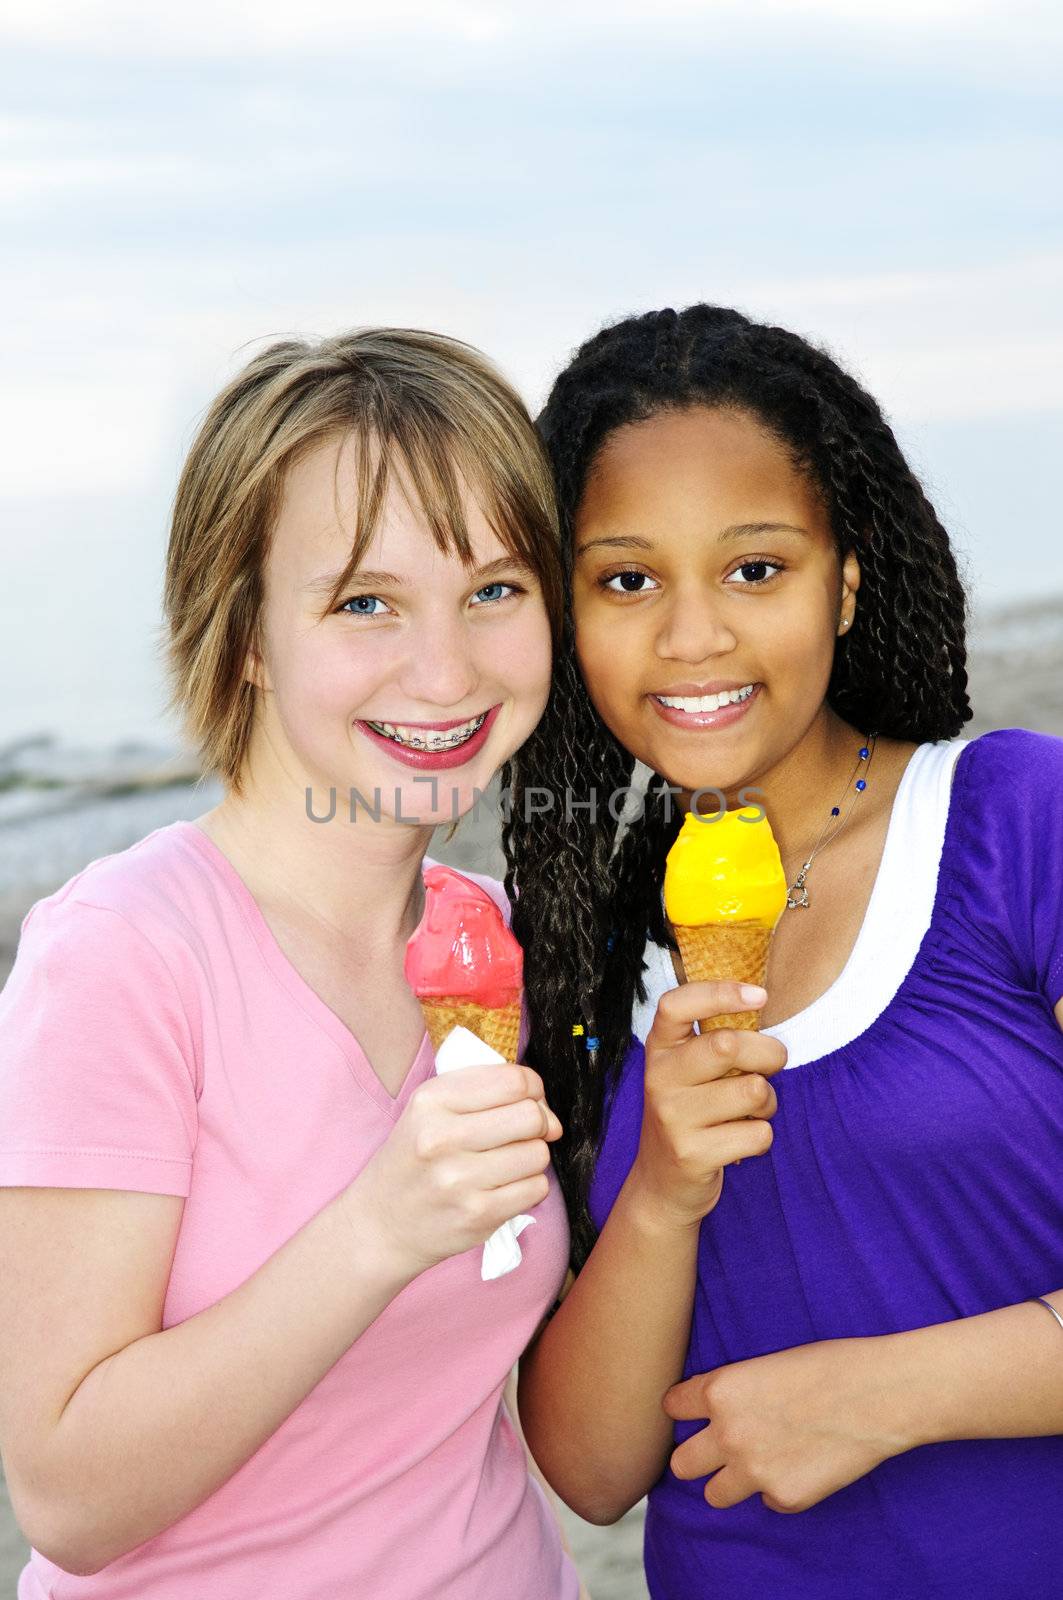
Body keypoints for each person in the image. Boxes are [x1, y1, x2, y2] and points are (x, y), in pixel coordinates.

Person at [0, 328, 582, 1599]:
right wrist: (376, 1228)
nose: (447, 667)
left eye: (493, 588)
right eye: (363, 602)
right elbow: (66, 1493)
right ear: (246, 631)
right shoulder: (123, 958)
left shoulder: (502, 938)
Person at [503, 304, 1063, 1598]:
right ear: (558, 614)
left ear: (844, 578)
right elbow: (591, 1473)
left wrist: (881, 1396)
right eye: (625, 580)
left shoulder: (1011, 825)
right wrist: (657, 1196)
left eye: (753, 569)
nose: (690, 637)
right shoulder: (579, 958)